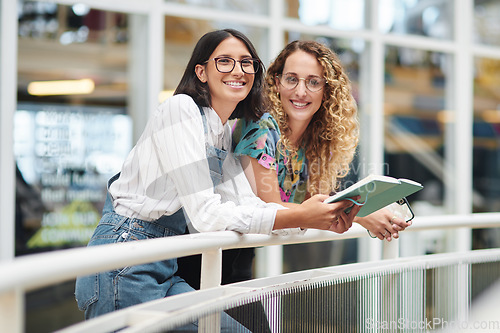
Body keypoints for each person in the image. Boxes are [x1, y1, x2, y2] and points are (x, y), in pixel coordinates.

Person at [75, 30, 360, 328]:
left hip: (164, 264)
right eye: (224, 61)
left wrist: (313, 218)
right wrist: (302, 215)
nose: (237, 70)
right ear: (201, 71)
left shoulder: (222, 132)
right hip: (124, 262)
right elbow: (205, 215)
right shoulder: (181, 109)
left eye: (246, 62)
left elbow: (249, 204)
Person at [232, 40, 412, 270]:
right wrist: (360, 215)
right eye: (292, 79)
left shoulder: (310, 143)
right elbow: (273, 209)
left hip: (242, 254)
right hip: (207, 252)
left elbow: (312, 205)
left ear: (327, 91)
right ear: (277, 83)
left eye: (313, 82)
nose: (300, 91)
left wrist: (361, 210)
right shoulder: (260, 126)